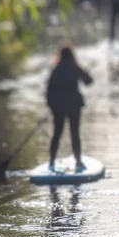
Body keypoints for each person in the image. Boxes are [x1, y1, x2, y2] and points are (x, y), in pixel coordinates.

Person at [46, 42, 93, 172]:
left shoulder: (55, 69)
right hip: (74, 106)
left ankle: (51, 161)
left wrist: (51, 106)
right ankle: (78, 161)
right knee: (75, 134)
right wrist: (87, 70)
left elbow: (49, 90)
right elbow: (89, 81)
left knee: (57, 134)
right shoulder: (75, 68)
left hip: (58, 107)